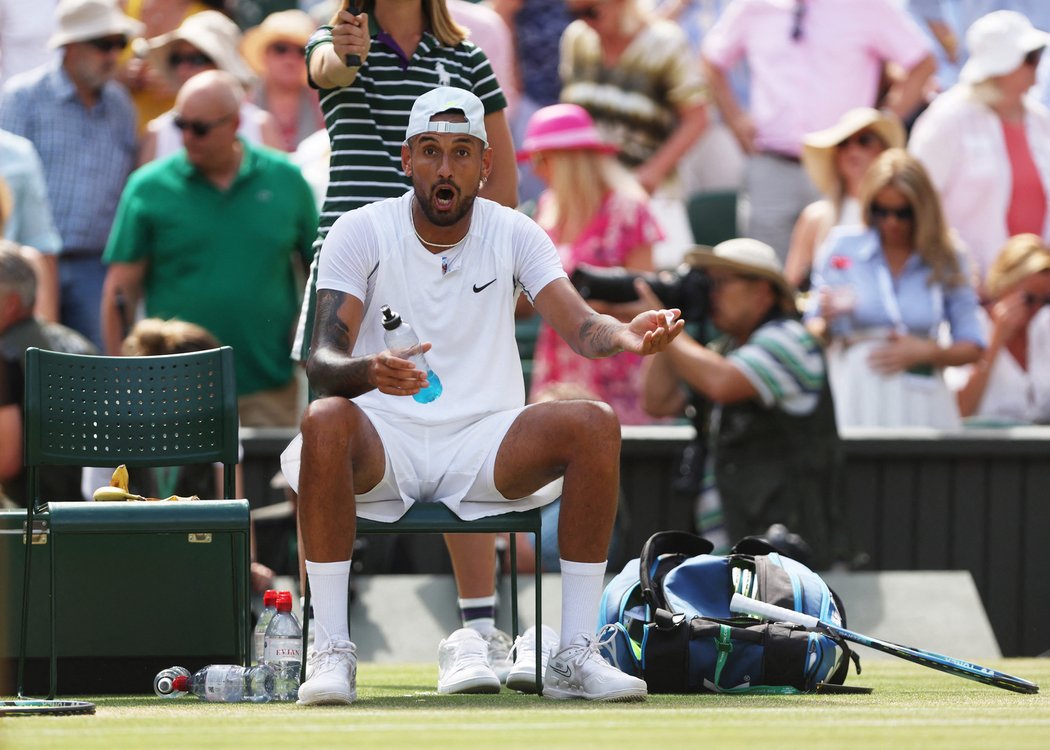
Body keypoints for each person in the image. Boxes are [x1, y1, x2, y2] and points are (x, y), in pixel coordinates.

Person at [279, 87, 683, 704]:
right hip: (385, 438)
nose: (447, 168)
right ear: (407, 159)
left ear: (485, 166)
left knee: (594, 423)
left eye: (463, 152)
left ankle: (575, 652)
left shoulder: (516, 231)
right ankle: (331, 650)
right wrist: (371, 372)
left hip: (484, 443)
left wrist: (626, 335)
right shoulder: (358, 231)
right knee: (325, 417)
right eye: (433, 151)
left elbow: (579, 326)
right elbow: (322, 361)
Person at [290, 0, 520, 667]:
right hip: (350, 267)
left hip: (445, 267)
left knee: (465, 429)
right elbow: (330, 69)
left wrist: (486, 261)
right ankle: (324, 637)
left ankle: (481, 633)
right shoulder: (332, 41)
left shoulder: (467, 56)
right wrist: (348, 53)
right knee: (325, 440)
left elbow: (500, 177)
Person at [100, 70, 318, 428]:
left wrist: (306, 330)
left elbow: (320, 270)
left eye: (199, 128)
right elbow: (119, 291)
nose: (187, 137)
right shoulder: (148, 187)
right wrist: (121, 381)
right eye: (180, 125)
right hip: (171, 388)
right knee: (170, 487)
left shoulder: (286, 180)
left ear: (235, 123)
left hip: (266, 385)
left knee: (263, 485)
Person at [638, 239, 846, 569]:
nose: (712, 294)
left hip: (785, 559)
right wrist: (673, 320)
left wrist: (670, 330)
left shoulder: (792, 339)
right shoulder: (723, 350)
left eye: (720, 283)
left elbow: (721, 383)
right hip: (734, 554)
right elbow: (658, 400)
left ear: (763, 290)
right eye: (707, 285)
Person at [701, 0, 936, 261]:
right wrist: (735, 121)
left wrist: (881, 124)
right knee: (764, 273)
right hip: (773, 162)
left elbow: (922, 62)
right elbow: (712, 60)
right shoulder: (753, 5)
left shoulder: (866, 5)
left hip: (843, 164)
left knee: (848, 271)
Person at [805, 149, 985, 430]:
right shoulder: (842, 246)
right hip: (858, 389)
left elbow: (972, 345)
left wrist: (926, 352)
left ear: (922, 210)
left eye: (903, 213)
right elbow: (811, 333)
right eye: (881, 211)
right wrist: (824, 320)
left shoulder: (948, 256)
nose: (891, 222)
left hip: (924, 394)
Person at [0, 0, 142, 350]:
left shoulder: (121, 106)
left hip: (95, 263)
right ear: (69, 46)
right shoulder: (23, 97)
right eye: (102, 44)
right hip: (26, 264)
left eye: (119, 44)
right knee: (25, 367)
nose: (113, 55)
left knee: (100, 371)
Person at [518, 102, 664, 425]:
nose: (535, 170)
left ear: (570, 160)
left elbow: (648, 298)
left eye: (541, 159)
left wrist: (592, 304)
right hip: (558, 363)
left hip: (614, 363)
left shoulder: (628, 211)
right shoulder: (546, 209)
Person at [559, 0, 708, 269]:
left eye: (591, 10)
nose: (585, 21)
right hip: (589, 195)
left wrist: (652, 173)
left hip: (647, 191)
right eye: (574, 13)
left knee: (651, 289)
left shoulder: (666, 42)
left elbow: (697, 118)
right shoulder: (576, 38)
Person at [910, 10, 1050, 286]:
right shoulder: (946, 120)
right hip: (965, 292)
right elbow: (917, 202)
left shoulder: (1041, 121)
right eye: (1029, 58)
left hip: (1037, 295)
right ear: (1002, 68)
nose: (1038, 64)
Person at [0, 242, 95, 507]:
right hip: (92, 512)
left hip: (32, 517)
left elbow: (6, 461)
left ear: (11, 304)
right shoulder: (80, 343)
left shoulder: (4, 354)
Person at [138, 9, 282, 163]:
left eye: (197, 59)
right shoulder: (158, 133)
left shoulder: (259, 126)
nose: (183, 69)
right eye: (177, 59)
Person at [784, 108, 904, 290]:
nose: (853, 149)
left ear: (883, 150)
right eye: (843, 143)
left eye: (865, 140)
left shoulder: (902, 214)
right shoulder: (816, 217)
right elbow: (792, 285)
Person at [950, 233, 1050, 423]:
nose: (1037, 309)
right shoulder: (970, 327)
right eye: (1028, 299)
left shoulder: (1045, 327)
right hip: (986, 448)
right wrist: (995, 341)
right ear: (1003, 285)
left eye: (1046, 300)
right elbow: (959, 410)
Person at [240, 9, 324, 152]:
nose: (290, 59)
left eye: (301, 51)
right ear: (264, 55)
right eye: (281, 49)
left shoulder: (322, 104)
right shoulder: (244, 104)